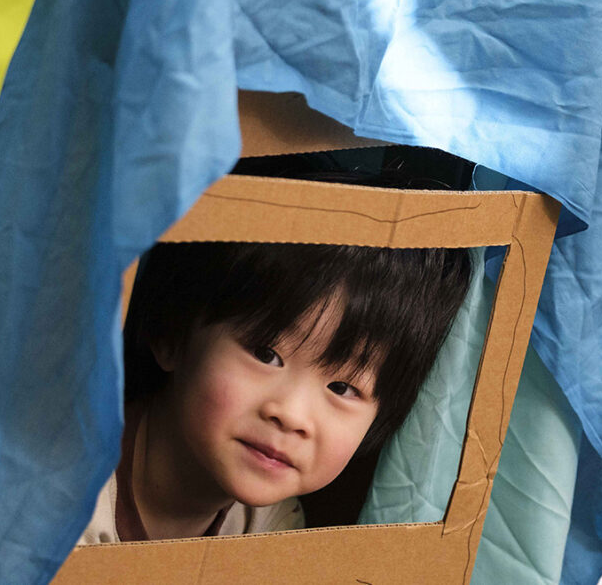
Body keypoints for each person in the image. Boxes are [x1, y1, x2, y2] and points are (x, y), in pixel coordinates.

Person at [77, 227, 473, 544]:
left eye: (341, 387)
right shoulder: (64, 492)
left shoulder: (273, 522)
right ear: (171, 336)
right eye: (266, 354)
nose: (291, 415)